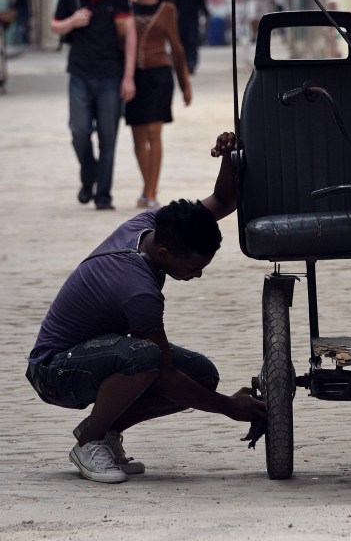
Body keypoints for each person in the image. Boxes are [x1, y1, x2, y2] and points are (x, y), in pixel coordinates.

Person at [25, 132, 266, 484]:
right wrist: (228, 407)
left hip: (94, 354)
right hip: (53, 372)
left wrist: (230, 157)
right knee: (145, 357)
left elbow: (221, 200)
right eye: (193, 267)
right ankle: (89, 441)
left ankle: (105, 430)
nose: (197, 275)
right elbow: (163, 374)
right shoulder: (138, 290)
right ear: (165, 255)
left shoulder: (154, 226)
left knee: (201, 375)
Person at [51, 0, 137, 210]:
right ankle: (90, 175)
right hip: (79, 73)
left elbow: (130, 36)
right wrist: (72, 22)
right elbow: (55, 26)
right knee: (79, 131)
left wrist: (128, 77)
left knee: (108, 137)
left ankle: (103, 195)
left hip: (111, 75)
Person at [126, 0, 192, 209]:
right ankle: (147, 188)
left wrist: (185, 84)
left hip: (159, 77)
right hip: (134, 78)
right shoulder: (126, 6)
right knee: (138, 138)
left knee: (154, 133)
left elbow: (177, 47)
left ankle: (151, 191)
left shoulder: (167, 9)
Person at [171, 0, 210, 75]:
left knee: (192, 41)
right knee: (182, 42)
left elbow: (202, 3)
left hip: (193, 19)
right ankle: (182, 63)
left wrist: (206, 16)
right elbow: (172, 5)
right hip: (180, 20)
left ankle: (192, 63)